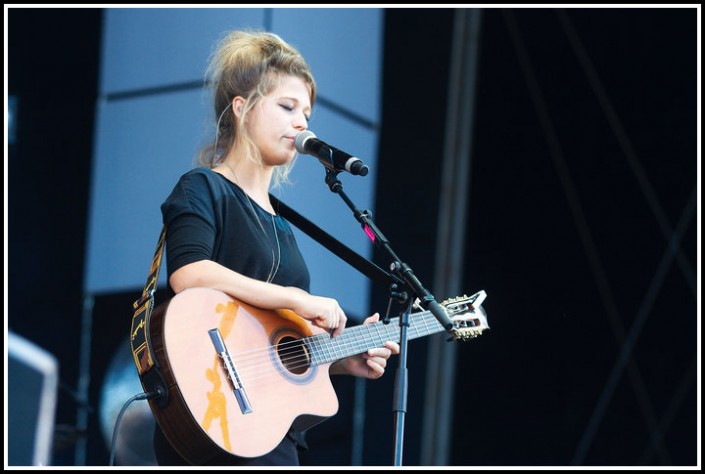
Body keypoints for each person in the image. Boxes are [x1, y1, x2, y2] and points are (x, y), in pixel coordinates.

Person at [153, 29, 400, 466]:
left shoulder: (283, 225)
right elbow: (188, 274)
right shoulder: (203, 188)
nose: (302, 122)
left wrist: (341, 360)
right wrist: (295, 297)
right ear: (242, 108)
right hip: (213, 418)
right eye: (287, 107)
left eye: (306, 111)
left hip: (273, 434)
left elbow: (268, 347)